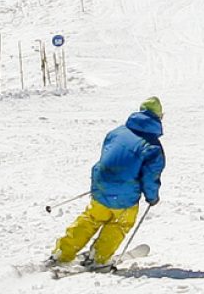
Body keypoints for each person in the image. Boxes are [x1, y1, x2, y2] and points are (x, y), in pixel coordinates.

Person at [51, 98, 166, 273]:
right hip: (125, 197)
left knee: (91, 219)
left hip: (101, 186)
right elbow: (151, 177)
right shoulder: (152, 147)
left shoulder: (117, 132)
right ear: (158, 117)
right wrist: (152, 197)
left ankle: (62, 252)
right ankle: (98, 258)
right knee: (119, 224)